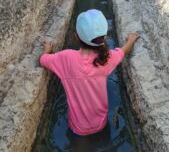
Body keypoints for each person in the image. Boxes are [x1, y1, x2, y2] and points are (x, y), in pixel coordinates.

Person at [39, 9, 139, 137]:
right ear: (104, 37)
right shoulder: (106, 58)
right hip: (101, 123)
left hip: (77, 126)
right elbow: (122, 52)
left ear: (76, 36)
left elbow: (42, 60)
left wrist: (47, 49)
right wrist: (131, 40)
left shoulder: (65, 58)